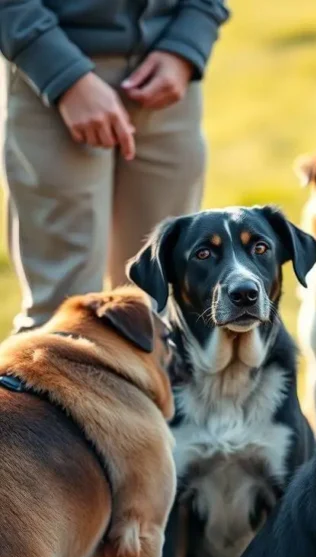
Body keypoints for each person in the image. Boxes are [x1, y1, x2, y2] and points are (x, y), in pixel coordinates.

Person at [1, 1, 229, 332]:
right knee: (62, 319)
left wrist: (186, 43)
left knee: (158, 312)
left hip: (169, 74)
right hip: (52, 75)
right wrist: (63, 76)